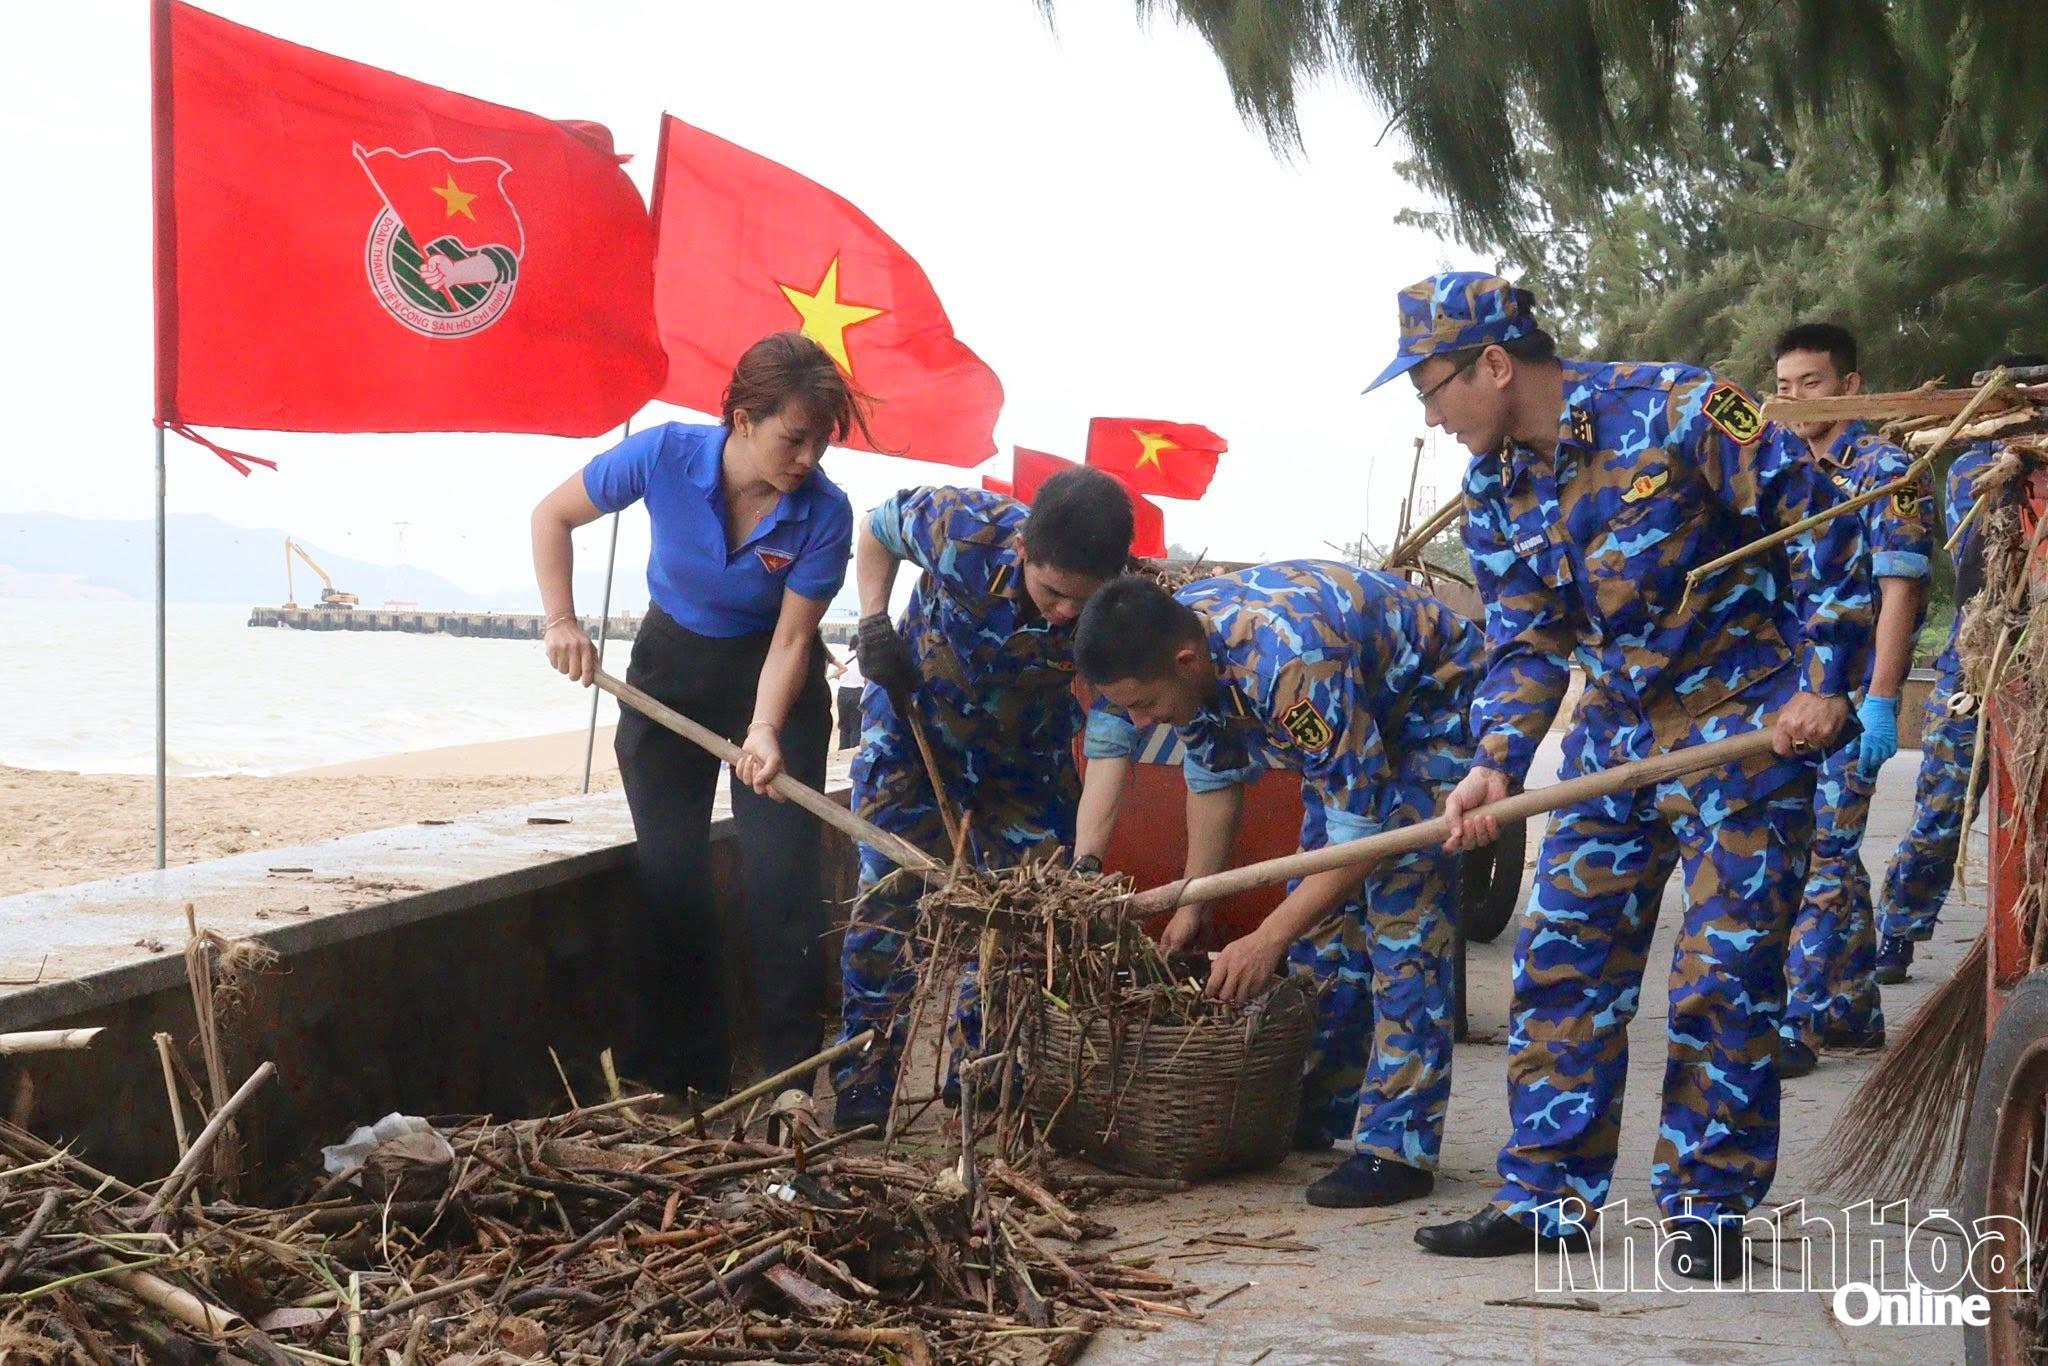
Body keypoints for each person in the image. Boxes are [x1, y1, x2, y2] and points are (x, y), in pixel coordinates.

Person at [1369, 273, 1870, 1282]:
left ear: (1494, 363)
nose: (1427, 412)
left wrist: (1827, 682)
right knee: (1558, 963)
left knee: (1722, 977)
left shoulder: (1685, 406)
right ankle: (1545, 1197)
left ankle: (1707, 1203)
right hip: (1610, 740)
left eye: (1430, 386)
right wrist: (1492, 763)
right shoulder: (1492, 487)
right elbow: (1525, 641)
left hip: (1740, 727)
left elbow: (1825, 518)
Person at [1075, 561, 1480, 1208]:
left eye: (1144, 705)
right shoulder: (1184, 655)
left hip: (1433, 708)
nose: (1144, 721)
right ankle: (1320, 1107)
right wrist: (1195, 901)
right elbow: (1212, 781)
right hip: (1353, 731)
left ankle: (1397, 1149)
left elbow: (1365, 832)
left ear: (1184, 662)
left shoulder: (1288, 668)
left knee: (1404, 920)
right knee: (1317, 926)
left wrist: (1264, 939)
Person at [531, 331, 863, 1098]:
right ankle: (681, 1078)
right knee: (670, 877)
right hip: (668, 673)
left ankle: (789, 1086)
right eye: (794, 437)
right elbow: (551, 515)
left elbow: (792, 639)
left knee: (782, 884)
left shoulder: (825, 514)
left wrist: (766, 729)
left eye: (821, 442)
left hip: (773, 684)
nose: (808, 458)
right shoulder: (662, 456)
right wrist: (561, 620)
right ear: (743, 418)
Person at [830, 469, 1136, 1130]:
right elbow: (876, 528)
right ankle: (865, 1077)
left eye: (1082, 603)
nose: (1064, 616)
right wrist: (875, 619)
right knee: (889, 899)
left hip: (1025, 754)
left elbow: (1112, 741)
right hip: (916, 725)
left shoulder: (1120, 612)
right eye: (1053, 593)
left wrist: (1087, 861)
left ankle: (986, 1067)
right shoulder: (961, 527)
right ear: (1023, 548)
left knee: (1027, 908)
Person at [1770, 323, 1933, 1075]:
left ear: (1850, 386)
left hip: (1851, 699)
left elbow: (1901, 587)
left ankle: (1795, 1024)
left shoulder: (1885, 470)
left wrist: (1881, 698)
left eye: (1812, 382)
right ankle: (1853, 1009)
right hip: (1792, 696)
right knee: (1824, 846)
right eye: (1785, 385)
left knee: (1823, 851)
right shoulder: (1778, 469)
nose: (1796, 398)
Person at [1875, 351, 2045, 978]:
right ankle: (1898, 929)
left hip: (2041, 662)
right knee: (1944, 807)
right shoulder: (1977, 467)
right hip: (1976, 664)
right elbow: (1987, 544)